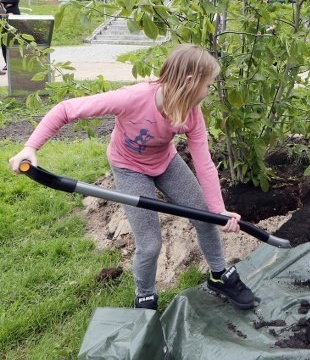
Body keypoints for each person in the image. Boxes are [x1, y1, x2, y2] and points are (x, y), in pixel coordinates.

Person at [8, 45, 256, 310]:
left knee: (205, 217)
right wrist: (30, 147)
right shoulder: (133, 98)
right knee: (149, 244)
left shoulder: (191, 115)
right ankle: (145, 295)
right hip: (128, 168)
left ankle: (218, 275)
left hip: (166, 162)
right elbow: (67, 109)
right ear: (190, 82)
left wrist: (218, 210)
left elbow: (204, 163)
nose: (209, 91)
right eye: (208, 85)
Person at [0, 0, 21, 74]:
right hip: (1, 20)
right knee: (3, 43)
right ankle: (7, 63)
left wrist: (1, 0)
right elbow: (12, 1)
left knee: (14, 41)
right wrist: (7, 2)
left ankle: (15, 63)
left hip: (12, 20)